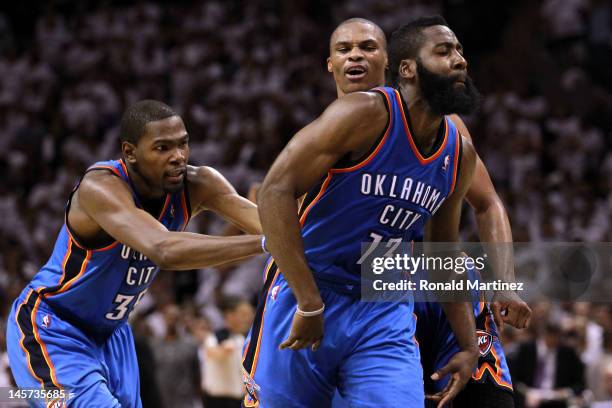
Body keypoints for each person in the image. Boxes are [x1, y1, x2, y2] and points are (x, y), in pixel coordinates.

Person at [242, 15, 481, 408]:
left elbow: (442, 253)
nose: (459, 61)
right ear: (407, 68)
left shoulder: (460, 154)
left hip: (383, 303)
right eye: (444, 51)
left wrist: (468, 344)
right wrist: (308, 301)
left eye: (458, 51)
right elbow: (274, 190)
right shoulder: (366, 113)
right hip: (311, 289)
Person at [326, 17, 530, 408]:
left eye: (367, 48)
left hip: (442, 275)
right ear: (331, 64)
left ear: (390, 62)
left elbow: (487, 202)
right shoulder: (326, 136)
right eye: (345, 49)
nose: (356, 56)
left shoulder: (444, 126)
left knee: (488, 398)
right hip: (370, 287)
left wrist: (504, 282)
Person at [6, 100, 265, 408]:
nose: (178, 157)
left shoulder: (198, 183)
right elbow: (164, 250)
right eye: (162, 148)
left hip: (114, 335)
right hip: (54, 327)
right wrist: (264, 243)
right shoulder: (100, 188)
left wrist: (288, 221)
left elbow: (270, 225)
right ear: (130, 153)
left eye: (183, 144)